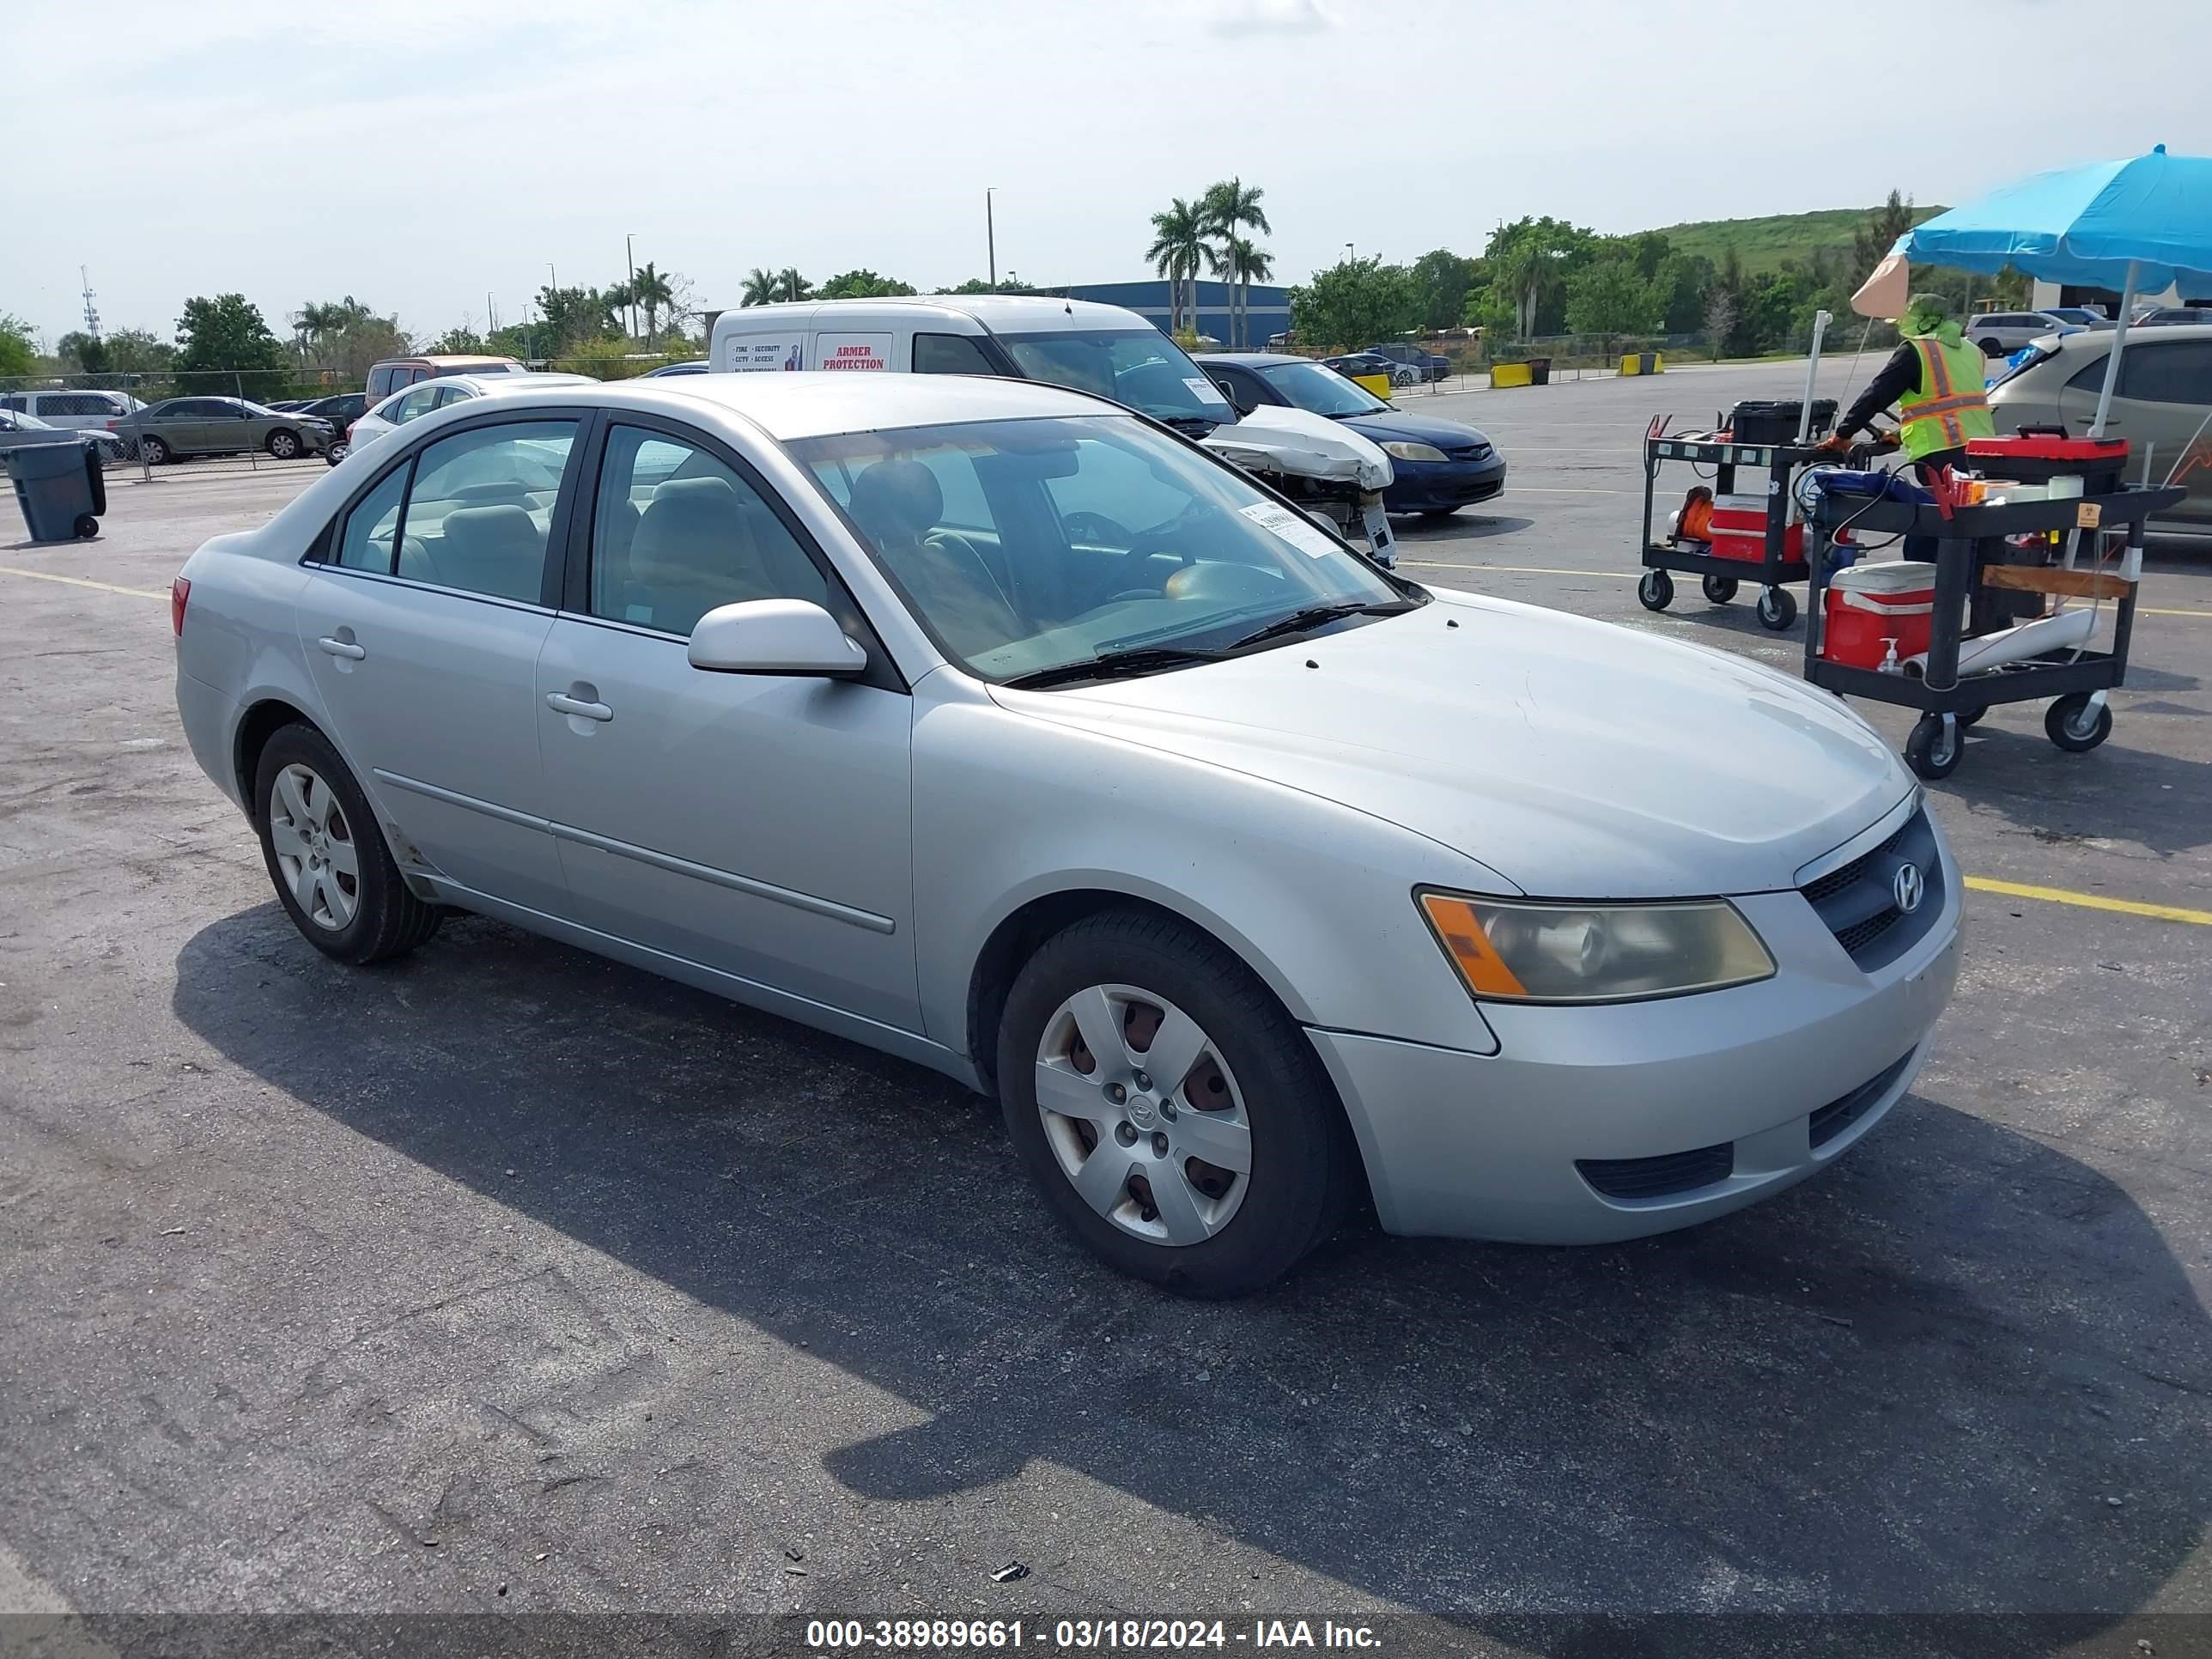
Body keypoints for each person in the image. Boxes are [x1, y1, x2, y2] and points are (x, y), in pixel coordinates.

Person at [1818, 293, 1996, 477]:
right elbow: (1951, 405)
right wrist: (1900, 434)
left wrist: (1842, 434)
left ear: (1924, 322)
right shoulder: (1974, 351)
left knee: (1940, 504)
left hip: (1941, 452)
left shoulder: (1916, 350)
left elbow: (1876, 395)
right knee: (1973, 503)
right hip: (1983, 448)